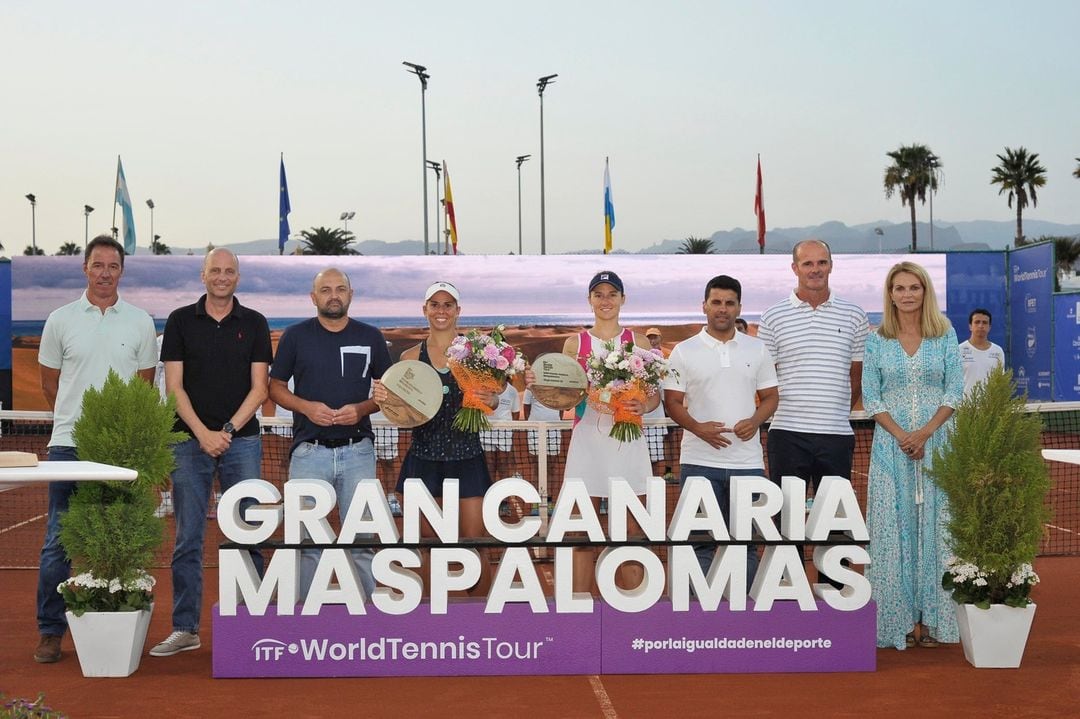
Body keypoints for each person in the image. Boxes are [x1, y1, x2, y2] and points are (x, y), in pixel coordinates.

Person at [33, 235, 158, 664]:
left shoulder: (141, 322)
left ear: (122, 271)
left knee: (118, 537)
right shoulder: (59, 319)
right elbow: (50, 384)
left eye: (113, 266)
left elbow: (144, 385)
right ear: (85, 268)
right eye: (98, 265)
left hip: (119, 452)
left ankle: (115, 624)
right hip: (68, 447)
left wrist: (117, 434)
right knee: (58, 540)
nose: (105, 273)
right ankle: (51, 632)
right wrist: (77, 424)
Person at [149, 249, 272, 657]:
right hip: (187, 443)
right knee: (187, 538)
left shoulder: (254, 323)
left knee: (248, 534)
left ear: (238, 277)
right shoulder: (180, 321)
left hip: (244, 442)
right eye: (215, 270)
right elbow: (175, 388)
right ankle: (186, 628)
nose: (222, 277)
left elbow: (260, 389)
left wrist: (228, 430)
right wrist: (203, 433)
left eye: (229, 271)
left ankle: (256, 626)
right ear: (203, 275)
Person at [269, 268, 392, 601]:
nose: (333, 295)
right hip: (309, 452)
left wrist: (362, 409)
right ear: (313, 297)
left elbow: (389, 393)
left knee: (363, 539)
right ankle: (307, 623)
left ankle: (365, 619)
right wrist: (306, 408)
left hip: (359, 452)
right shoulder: (294, 336)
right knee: (307, 543)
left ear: (351, 295)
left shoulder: (371, 336)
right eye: (325, 290)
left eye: (340, 289)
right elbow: (276, 388)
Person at [373, 281, 498, 596]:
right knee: (430, 546)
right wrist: (384, 399)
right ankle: (432, 621)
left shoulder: (475, 353)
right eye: (434, 304)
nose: (441, 311)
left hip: (467, 456)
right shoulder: (410, 356)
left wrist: (491, 399)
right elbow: (401, 413)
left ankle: (483, 617)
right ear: (425, 309)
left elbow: (492, 400)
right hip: (424, 460)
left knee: (476, 544)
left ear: (458, 311)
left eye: (448, 304)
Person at [862, 261, 963, 650]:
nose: (907, 294)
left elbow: (954, 391)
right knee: (894, 530)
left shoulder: (945, 335)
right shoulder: (878, 340)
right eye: (899, 288)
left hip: (939, 443)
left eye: (914, 287)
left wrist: (925, 433)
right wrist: (905, 436)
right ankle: (898, 622)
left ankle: (936, 621)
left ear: (925, 292)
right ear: (890, 294)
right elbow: (872, 396)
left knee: (938, 529)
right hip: (891, 448)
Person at [757, 239, 869, 588]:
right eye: (808, 264)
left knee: (834, 522)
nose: (815, 269)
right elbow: (764, 379)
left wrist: (832, 412)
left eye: (822, 262)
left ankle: (831, 593)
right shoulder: (773, 316)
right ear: (795, 268)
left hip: (836, 436)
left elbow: (856, 377)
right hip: (786, 434)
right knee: (785, 520)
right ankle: (786, 592)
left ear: (831, 266)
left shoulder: (854, 315)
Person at [664, 275, 778, 587]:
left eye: (729, 303)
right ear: (704, 306)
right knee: (699, 544)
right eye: (716, 302)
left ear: (739, 306)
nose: (723, 309)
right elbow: (671, 402)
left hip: (748, 464)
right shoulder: (684, 351)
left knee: (746, 544)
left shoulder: (757, 349)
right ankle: (702, 620)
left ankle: (743, 620)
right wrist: (698, 428)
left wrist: (755, 421)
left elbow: (771, 398)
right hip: (699, 462)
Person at [561, 271, 660, 593]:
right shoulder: (574, 343)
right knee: (580, 527)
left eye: (612, 294)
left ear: (622, 299)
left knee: (629, 530)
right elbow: (562, 395)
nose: (605, 300)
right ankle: (578, 605)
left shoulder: (638, 341)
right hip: (587, 439)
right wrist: (542, 385)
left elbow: (654, 393)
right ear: (589, 300)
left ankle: (632, 608)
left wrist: (644, 406)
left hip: (626, 442)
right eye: (599, 294)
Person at [958, 308, 1005, 397]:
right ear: (970, 326)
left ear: (989, 327)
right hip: (964, 407)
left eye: (984, 322)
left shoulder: (998, 351)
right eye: (977, 322)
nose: (980, 325)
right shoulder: (958, 350)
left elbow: (1001, 382)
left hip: (989, 408)